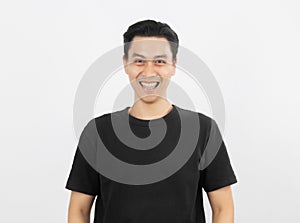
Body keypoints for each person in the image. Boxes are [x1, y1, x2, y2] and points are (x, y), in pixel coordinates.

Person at [65, 19, 237, 223]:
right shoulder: (97, 132)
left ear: (173, 65)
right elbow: (79, 211)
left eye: (159, 61)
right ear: (125, 64)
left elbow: (222, 208)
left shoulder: (203, 130)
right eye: (139, 61)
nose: (148, 72)